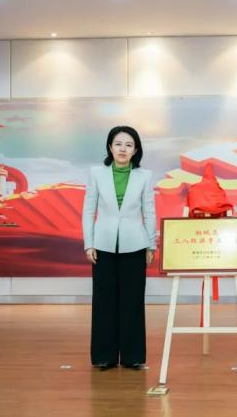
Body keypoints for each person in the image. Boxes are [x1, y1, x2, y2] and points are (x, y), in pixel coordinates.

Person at [82, 125, 156, 370]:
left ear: (135, 150)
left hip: (135, 244)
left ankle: (133, 357)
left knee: (133, 301)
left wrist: (151, 245)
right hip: (102, 244)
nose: (123, 149)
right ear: (110, 147)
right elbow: (88, 210)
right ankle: (104, 356)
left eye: (128, 145)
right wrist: (89, 243)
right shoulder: (96, 173)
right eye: (118, 144)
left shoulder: (144, 176)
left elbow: (149, 211)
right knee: (104, 300)